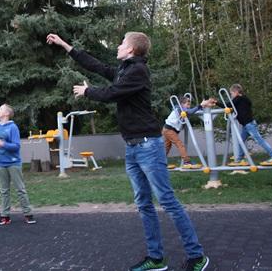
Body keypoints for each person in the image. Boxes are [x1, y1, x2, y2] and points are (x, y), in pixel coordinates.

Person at [47, 32, 209, 271]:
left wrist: (88, 91)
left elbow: (113, 93)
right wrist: (64, 45)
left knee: (167, 201)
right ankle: (155, 258)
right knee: (143, 204)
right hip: (132, 147)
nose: (118, 45)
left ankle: (197, 256)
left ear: (131, 49)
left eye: (122, 43)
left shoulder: (138, 72)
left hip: (148, 146)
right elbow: (97, 66)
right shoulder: (124, 70)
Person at [0, 104, 36, 226]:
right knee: (4, 191)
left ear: (7, 113)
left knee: (20, 189)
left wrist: (2, 144)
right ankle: (5, 216)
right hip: (1, 164)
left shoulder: (13, 127)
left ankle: (28, 214)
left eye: (0, 109)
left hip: (13, 163)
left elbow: (16, 146)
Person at [213, 84, 272, 165]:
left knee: (259, 140)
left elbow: (227, 105)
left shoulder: (238, 99)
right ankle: (240, 160)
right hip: (247, 125)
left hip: (249, 125)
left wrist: (216, 102)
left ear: (236, 92)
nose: (231, 95)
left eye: (231, 93)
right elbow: (240, 107)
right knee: (241, 141)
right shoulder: (244, 99)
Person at [163, 96, 211, 168]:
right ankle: (186, 162)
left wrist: (202, 106)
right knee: (179, 144)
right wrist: (200, 105)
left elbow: (190, 111)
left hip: (167, 129)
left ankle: (161, 162)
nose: (189, 106)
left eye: (189, 104)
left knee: (166, 147)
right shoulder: (179, 108)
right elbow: (190, 111)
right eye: (187, 104)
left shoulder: (182, 109)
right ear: (182, 104)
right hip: (169, 129)